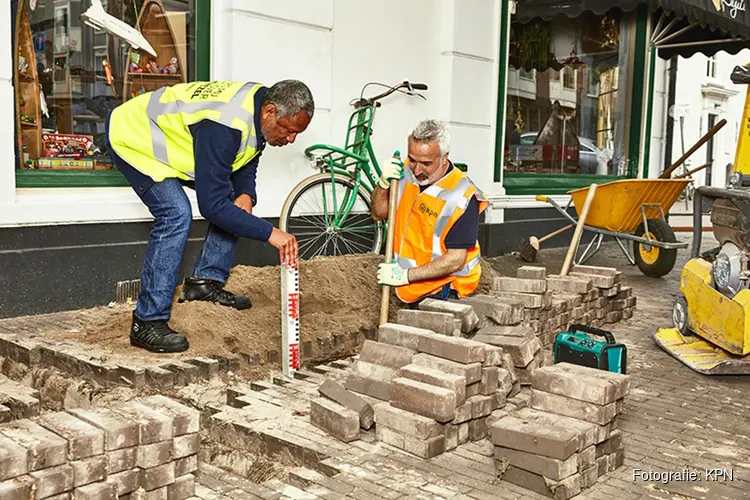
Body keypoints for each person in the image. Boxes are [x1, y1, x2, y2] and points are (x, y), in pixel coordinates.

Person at [104, 79, 314, 353]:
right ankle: (147, 321)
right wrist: (270, 232)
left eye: (296, 133)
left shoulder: (257, 105)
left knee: (233, 206)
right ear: (270, 112)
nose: (291, 139)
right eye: (288, 131)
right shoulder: (223, 125)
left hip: (169, 144)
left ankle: (205, 282)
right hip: (134, 137)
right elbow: (211, 206)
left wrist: (245, 194)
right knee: (176, 213)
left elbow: (247, 153)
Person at [371, 119, 488, 307]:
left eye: (426, 163)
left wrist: (405, 275)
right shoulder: (405, 171)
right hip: (410, 286)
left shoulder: (463, 196)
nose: (417, 170)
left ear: (444, 158)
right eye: (413, 160)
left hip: (444, 290)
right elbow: (378, 213)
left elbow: (455, 260)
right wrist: (383, 185)